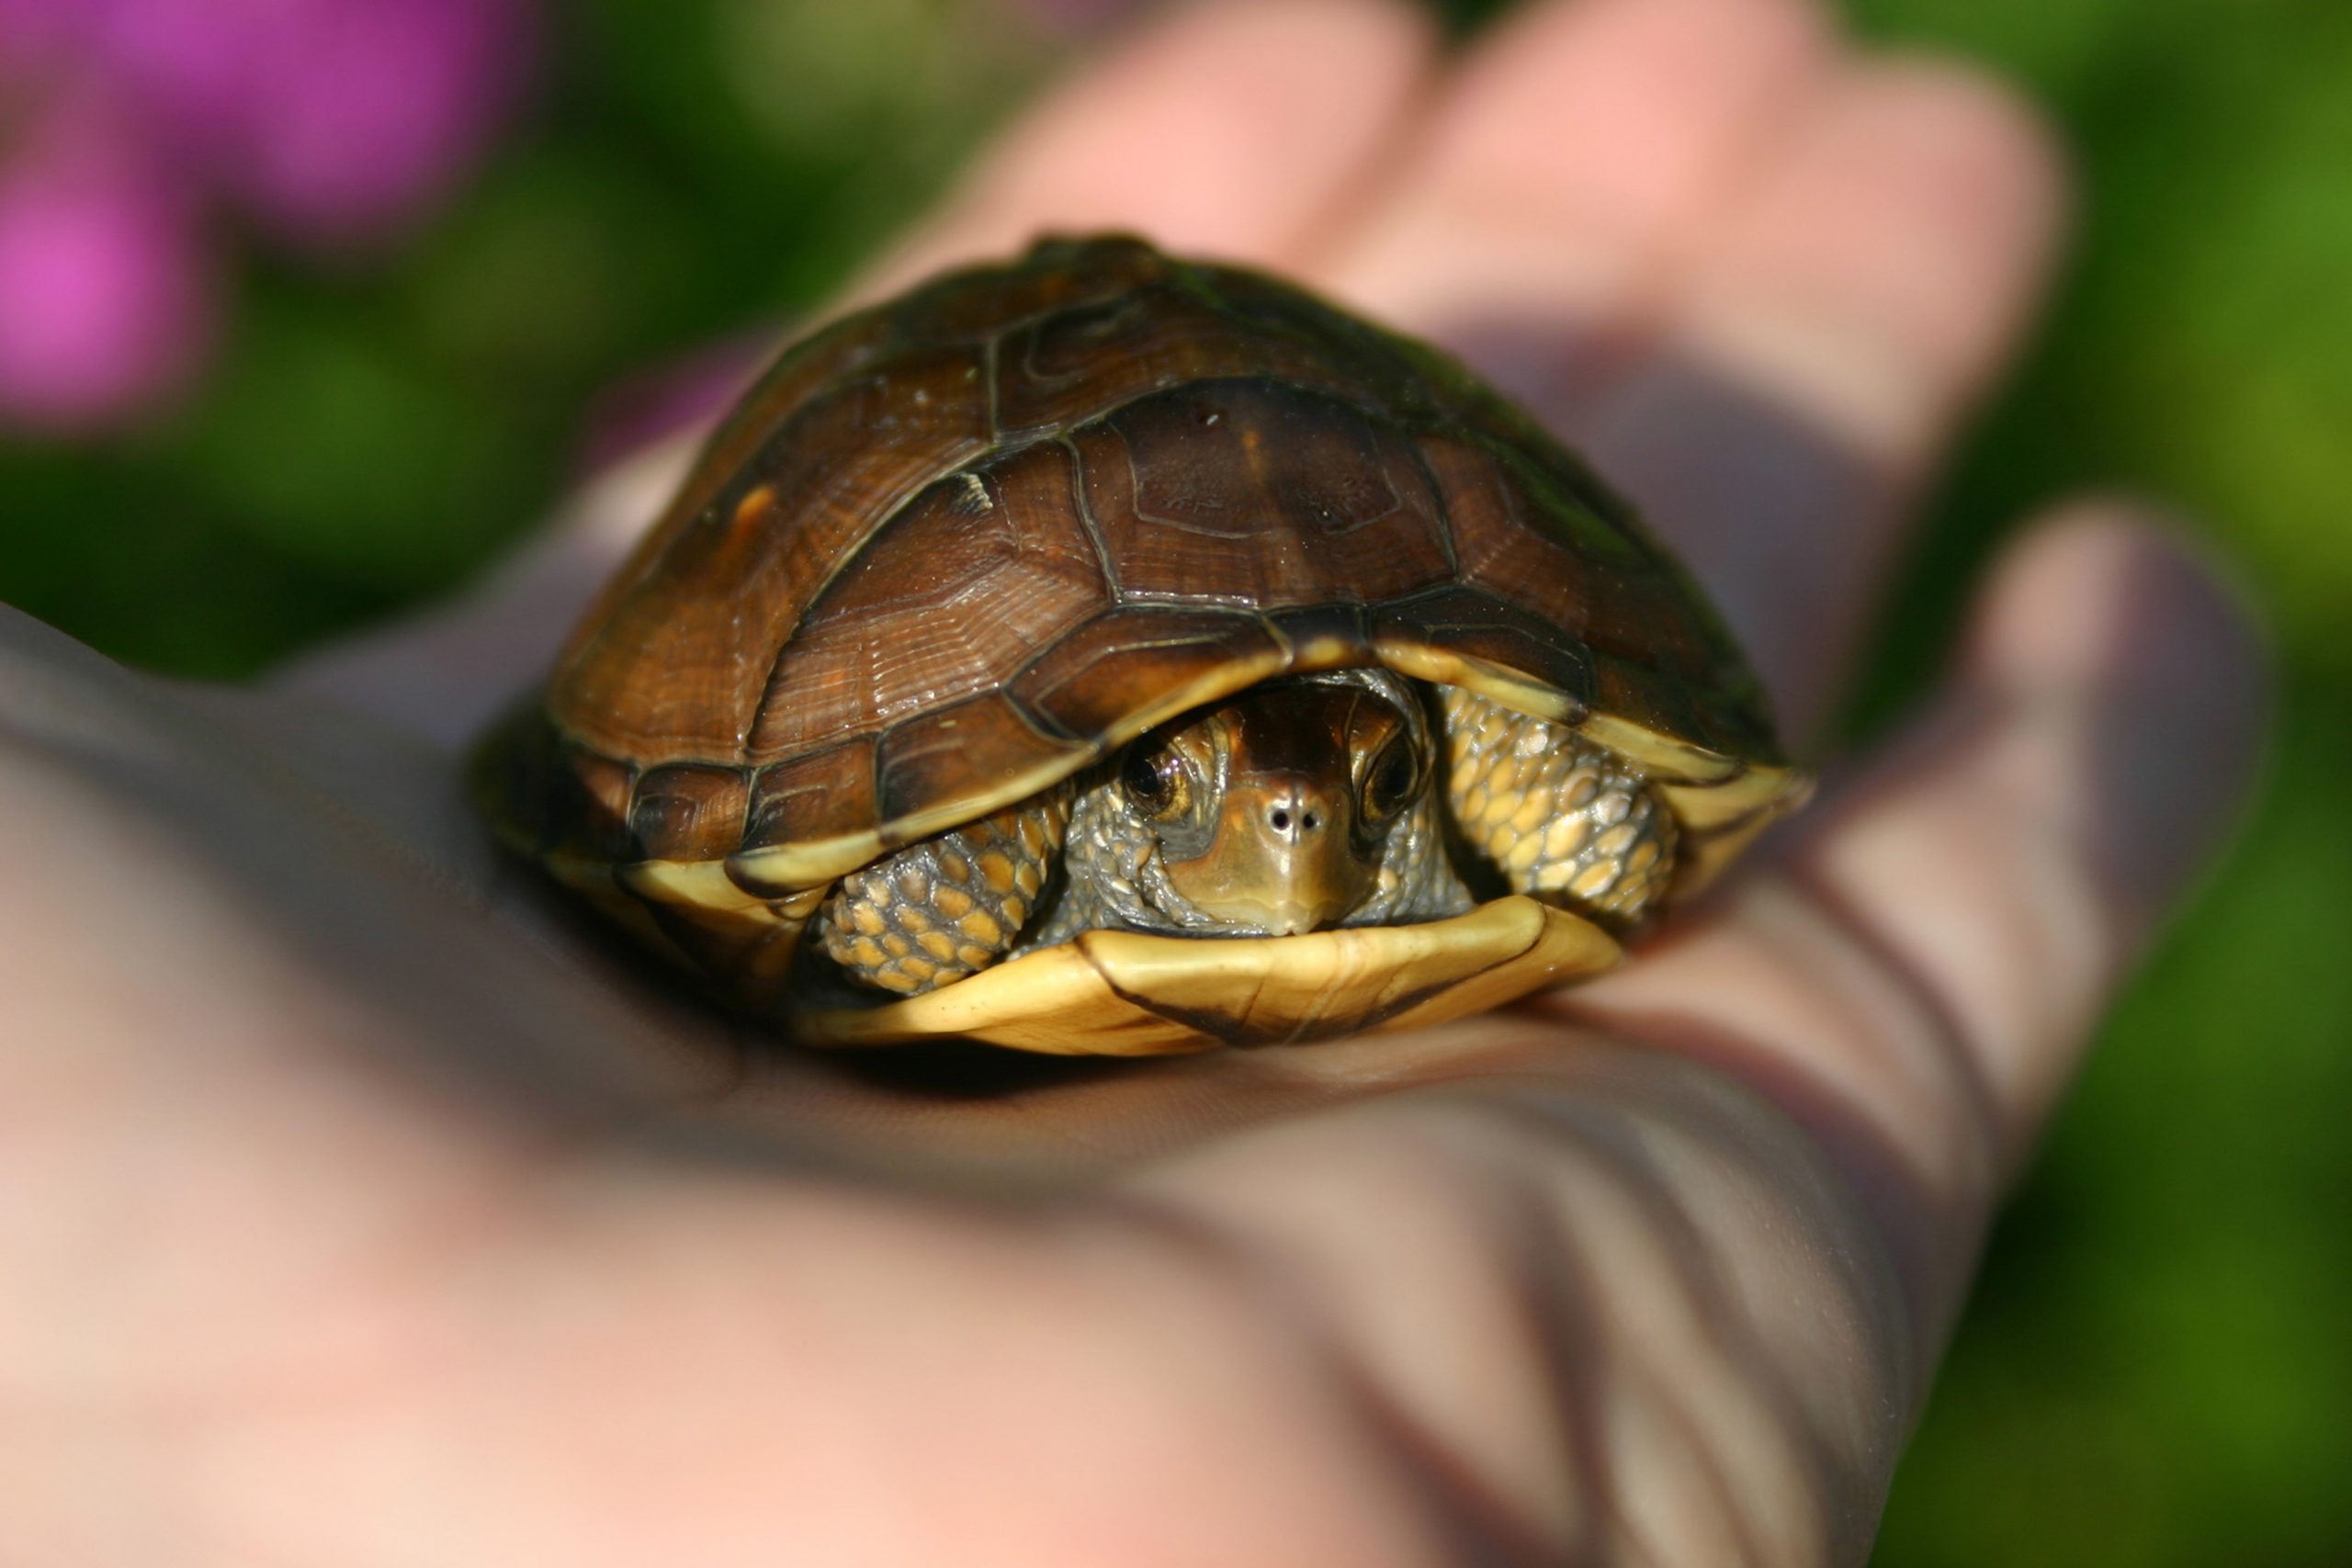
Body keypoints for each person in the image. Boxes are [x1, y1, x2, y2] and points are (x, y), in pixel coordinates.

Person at [0, 0, 2265, 1562]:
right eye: (1229, 792)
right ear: (1134, 797)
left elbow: (1594, 769)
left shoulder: (1438, 781)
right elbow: (797, 840)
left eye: (1343, 785)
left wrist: (1548, 773)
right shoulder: (998, 836)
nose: (1295, 821)